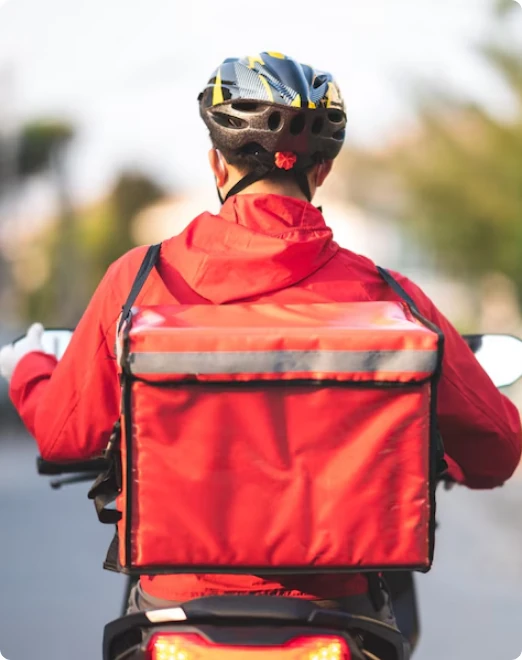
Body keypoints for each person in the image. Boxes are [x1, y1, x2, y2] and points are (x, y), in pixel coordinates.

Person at [1, 52, 520, 624]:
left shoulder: (139, 280)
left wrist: (30, 368)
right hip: (337, 604)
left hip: (177, 602)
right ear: (323, 171)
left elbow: (64, 437)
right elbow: (498, 449)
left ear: (216, 165)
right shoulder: (391, 297)